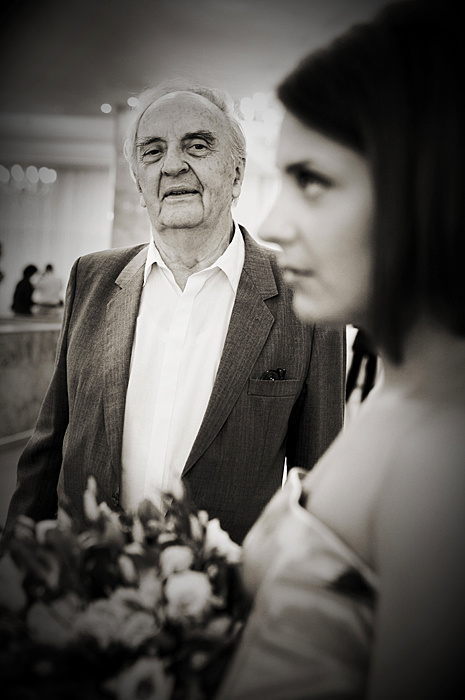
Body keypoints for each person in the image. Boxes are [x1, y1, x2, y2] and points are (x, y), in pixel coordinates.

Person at [217, 1, 465, 697]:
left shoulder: (443, 459)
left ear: (422, 186)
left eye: (312, 181)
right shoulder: (392, 390)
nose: (272, 223)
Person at [1, 79, 345, 550]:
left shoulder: (302, 295)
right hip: (86, 577)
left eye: (197, 145)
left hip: (224, 587)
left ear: (237, 174)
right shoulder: (91, 279)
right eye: (153, 151)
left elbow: (317, 482)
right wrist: (17, 556)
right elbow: (47, 446)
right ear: (139, 184)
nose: (172, 165)